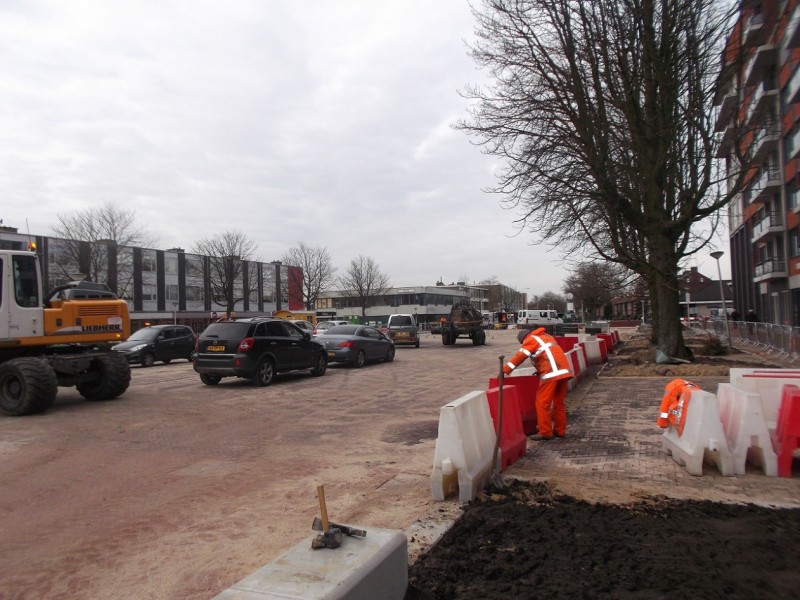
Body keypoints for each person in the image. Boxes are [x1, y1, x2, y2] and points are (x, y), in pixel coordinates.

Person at [503, 327, 574, 440]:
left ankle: (545, 432)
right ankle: (560, 431)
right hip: (564, 372)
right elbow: (549, 354)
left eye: (522, 343)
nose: (523, 344)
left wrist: (505, 370)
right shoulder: (546, 336)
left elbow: (520, 356)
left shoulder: (531, 339)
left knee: (542, 403)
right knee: (558, 403)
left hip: (552, 373)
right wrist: (540, 370)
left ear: (524, 338)